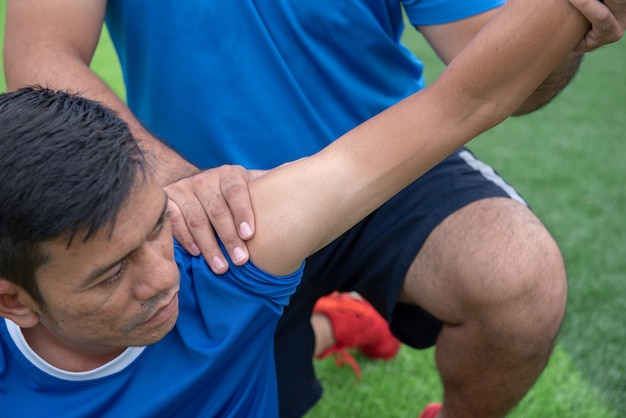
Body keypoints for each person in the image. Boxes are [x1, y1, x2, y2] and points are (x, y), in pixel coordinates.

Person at [2, 1, 623, 417]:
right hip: (200, 195)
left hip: (362, 170)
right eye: (113, 272)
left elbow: (476, 88)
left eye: (146, 249)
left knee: (518, 280)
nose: (161, 278)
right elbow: (40, 52)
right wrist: (173, 187)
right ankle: (336, 326)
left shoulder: (185, 257)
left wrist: (569, 13)